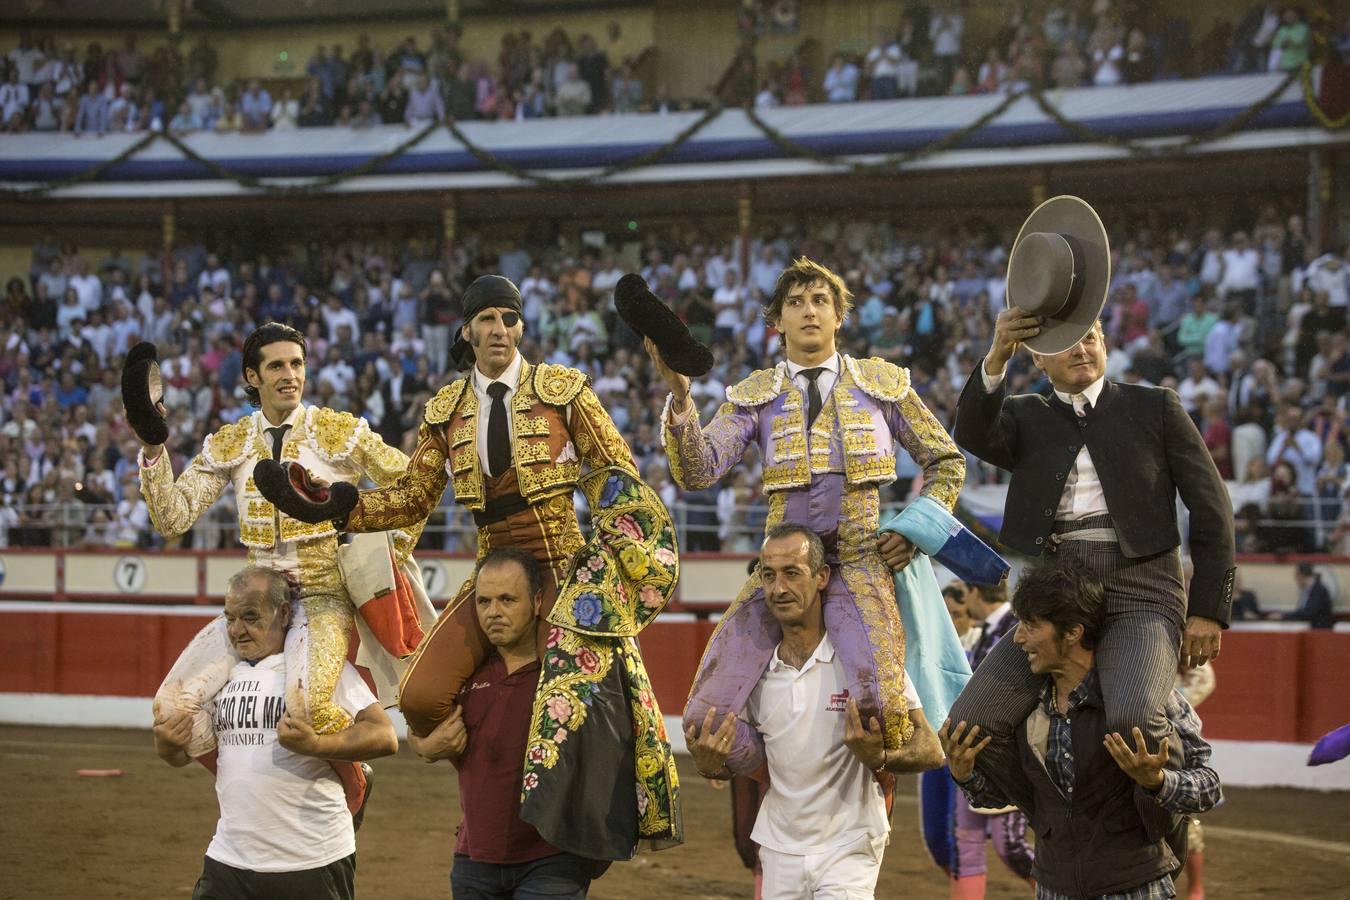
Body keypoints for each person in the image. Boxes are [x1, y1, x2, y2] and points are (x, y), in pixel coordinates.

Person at [256, 275, 682, 858]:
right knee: (422, 698)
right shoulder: (447, 410)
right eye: (487, 319)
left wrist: (607, 566)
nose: (499, 330)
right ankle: (489, 792)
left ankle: (592, 821)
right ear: (467, 331)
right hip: (492, 572)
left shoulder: (563, 390)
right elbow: (411, 497)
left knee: (600, 695)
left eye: (509, 318)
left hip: (561, 563)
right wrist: (337, 504)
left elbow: (616, 473)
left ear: (522, 327)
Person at [950, 196, 1234, 822]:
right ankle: (1044, 818)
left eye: (1093, 335)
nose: (1084, 347)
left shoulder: (1155, 406)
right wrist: (994, 356)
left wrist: (1210, 608)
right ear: (1038, 355)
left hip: (1142, 587)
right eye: (1070, 341)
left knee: (1135, 720)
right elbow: (970, 432)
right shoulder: (1024, 415)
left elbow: (1211, 511)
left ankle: (1161, 824)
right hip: (1053, 588)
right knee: (970, 723)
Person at [649, 256, 966, 764]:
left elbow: (946, 461)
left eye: (821, 301)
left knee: (884, 716)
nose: (809, 311)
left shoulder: (882, 385)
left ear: (840, 315)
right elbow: (697, 471)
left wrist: (913, 530)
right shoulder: (756, 395)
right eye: (795, 303)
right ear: (777, 322)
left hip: (861, 560)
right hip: (781, 569)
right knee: (702, 721)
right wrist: (681, 397)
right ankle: (780, 768)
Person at [131, 323, 430, 817]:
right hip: (254, 604)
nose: (290, 375)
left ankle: (356, 780)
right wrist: (152, 450)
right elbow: (173, 518)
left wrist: (382, 553)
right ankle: (240, 776)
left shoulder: (340, 431)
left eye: (297, 364)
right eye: (277, 366)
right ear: (253, 376)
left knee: (309, 710)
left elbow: (415, 490)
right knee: (172, 712)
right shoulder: (232, 442)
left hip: (321, 597)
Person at [686, 524, 945, 900]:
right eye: (769, 575)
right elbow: (740, 760)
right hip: (778, 845)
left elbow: (931, 750)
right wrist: (710, 764)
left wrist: (881, 757)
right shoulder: (749, 673)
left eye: (792, 573)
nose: (779, 589)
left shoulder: (864, 662)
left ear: (822, 577)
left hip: (850, 843)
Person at [940, 564, 1223, 900]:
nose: (1018, 638)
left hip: (1133, 887)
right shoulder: (1022, 709)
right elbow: (1004, 797)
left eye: (1030, 626)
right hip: (1054, 886)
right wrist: (966, 775)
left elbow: (1208, 788)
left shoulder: (1144, 696)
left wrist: (1158, 782)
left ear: (1072, 633)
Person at [153, 566, 397, 900]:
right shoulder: (218, 679)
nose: (237, 630)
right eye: (231, 618)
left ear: (283, 614)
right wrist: (167, 746)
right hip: (229, 857)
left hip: (311, 859)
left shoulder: (316, 669)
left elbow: (384, 736)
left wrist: (316, 744)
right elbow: (178, 757)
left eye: (251, 617)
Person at [408, 548, 607, 898]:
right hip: (474, 856)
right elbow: (419, 727)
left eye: (507, 600)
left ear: (537, 602)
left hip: (554, 859)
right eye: (483, 602)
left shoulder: (565, 676)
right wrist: (424, 746)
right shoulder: (464, 676)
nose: (493, 612)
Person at [949, 582, 1035, 899]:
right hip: (970, 754)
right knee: (966, 843)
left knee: (1009, 846)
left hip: (1004, 756)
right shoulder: (991, 628)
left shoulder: (1015, 626)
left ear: (974, 591)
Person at [1285, 561, 1335, 629]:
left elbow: (1308, 613)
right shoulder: (1307, 590)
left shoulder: (1318, 589)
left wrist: (1284, 616)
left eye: (1296, 576)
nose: (1296, 580)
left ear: (1301, 575)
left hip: (1320, 631)